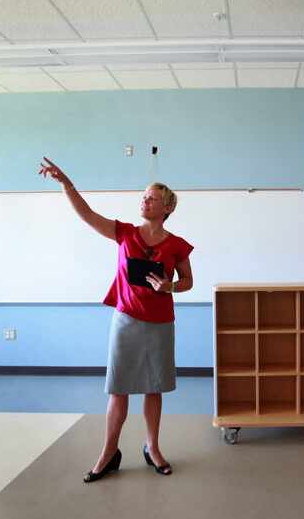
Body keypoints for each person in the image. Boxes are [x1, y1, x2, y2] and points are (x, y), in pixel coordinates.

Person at [38, 157, 194, 483]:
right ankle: (109, 452)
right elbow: (87, 215)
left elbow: (188, 282)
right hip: (127, 320)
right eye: (144, 196)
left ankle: (152, 448)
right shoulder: (124, 232)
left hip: (161, 322)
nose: (144, 200)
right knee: (118, 389)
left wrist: (170, 286)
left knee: (155, 388)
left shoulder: (177, 244)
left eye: (151, 197)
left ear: (166, 207)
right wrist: (67, 183)